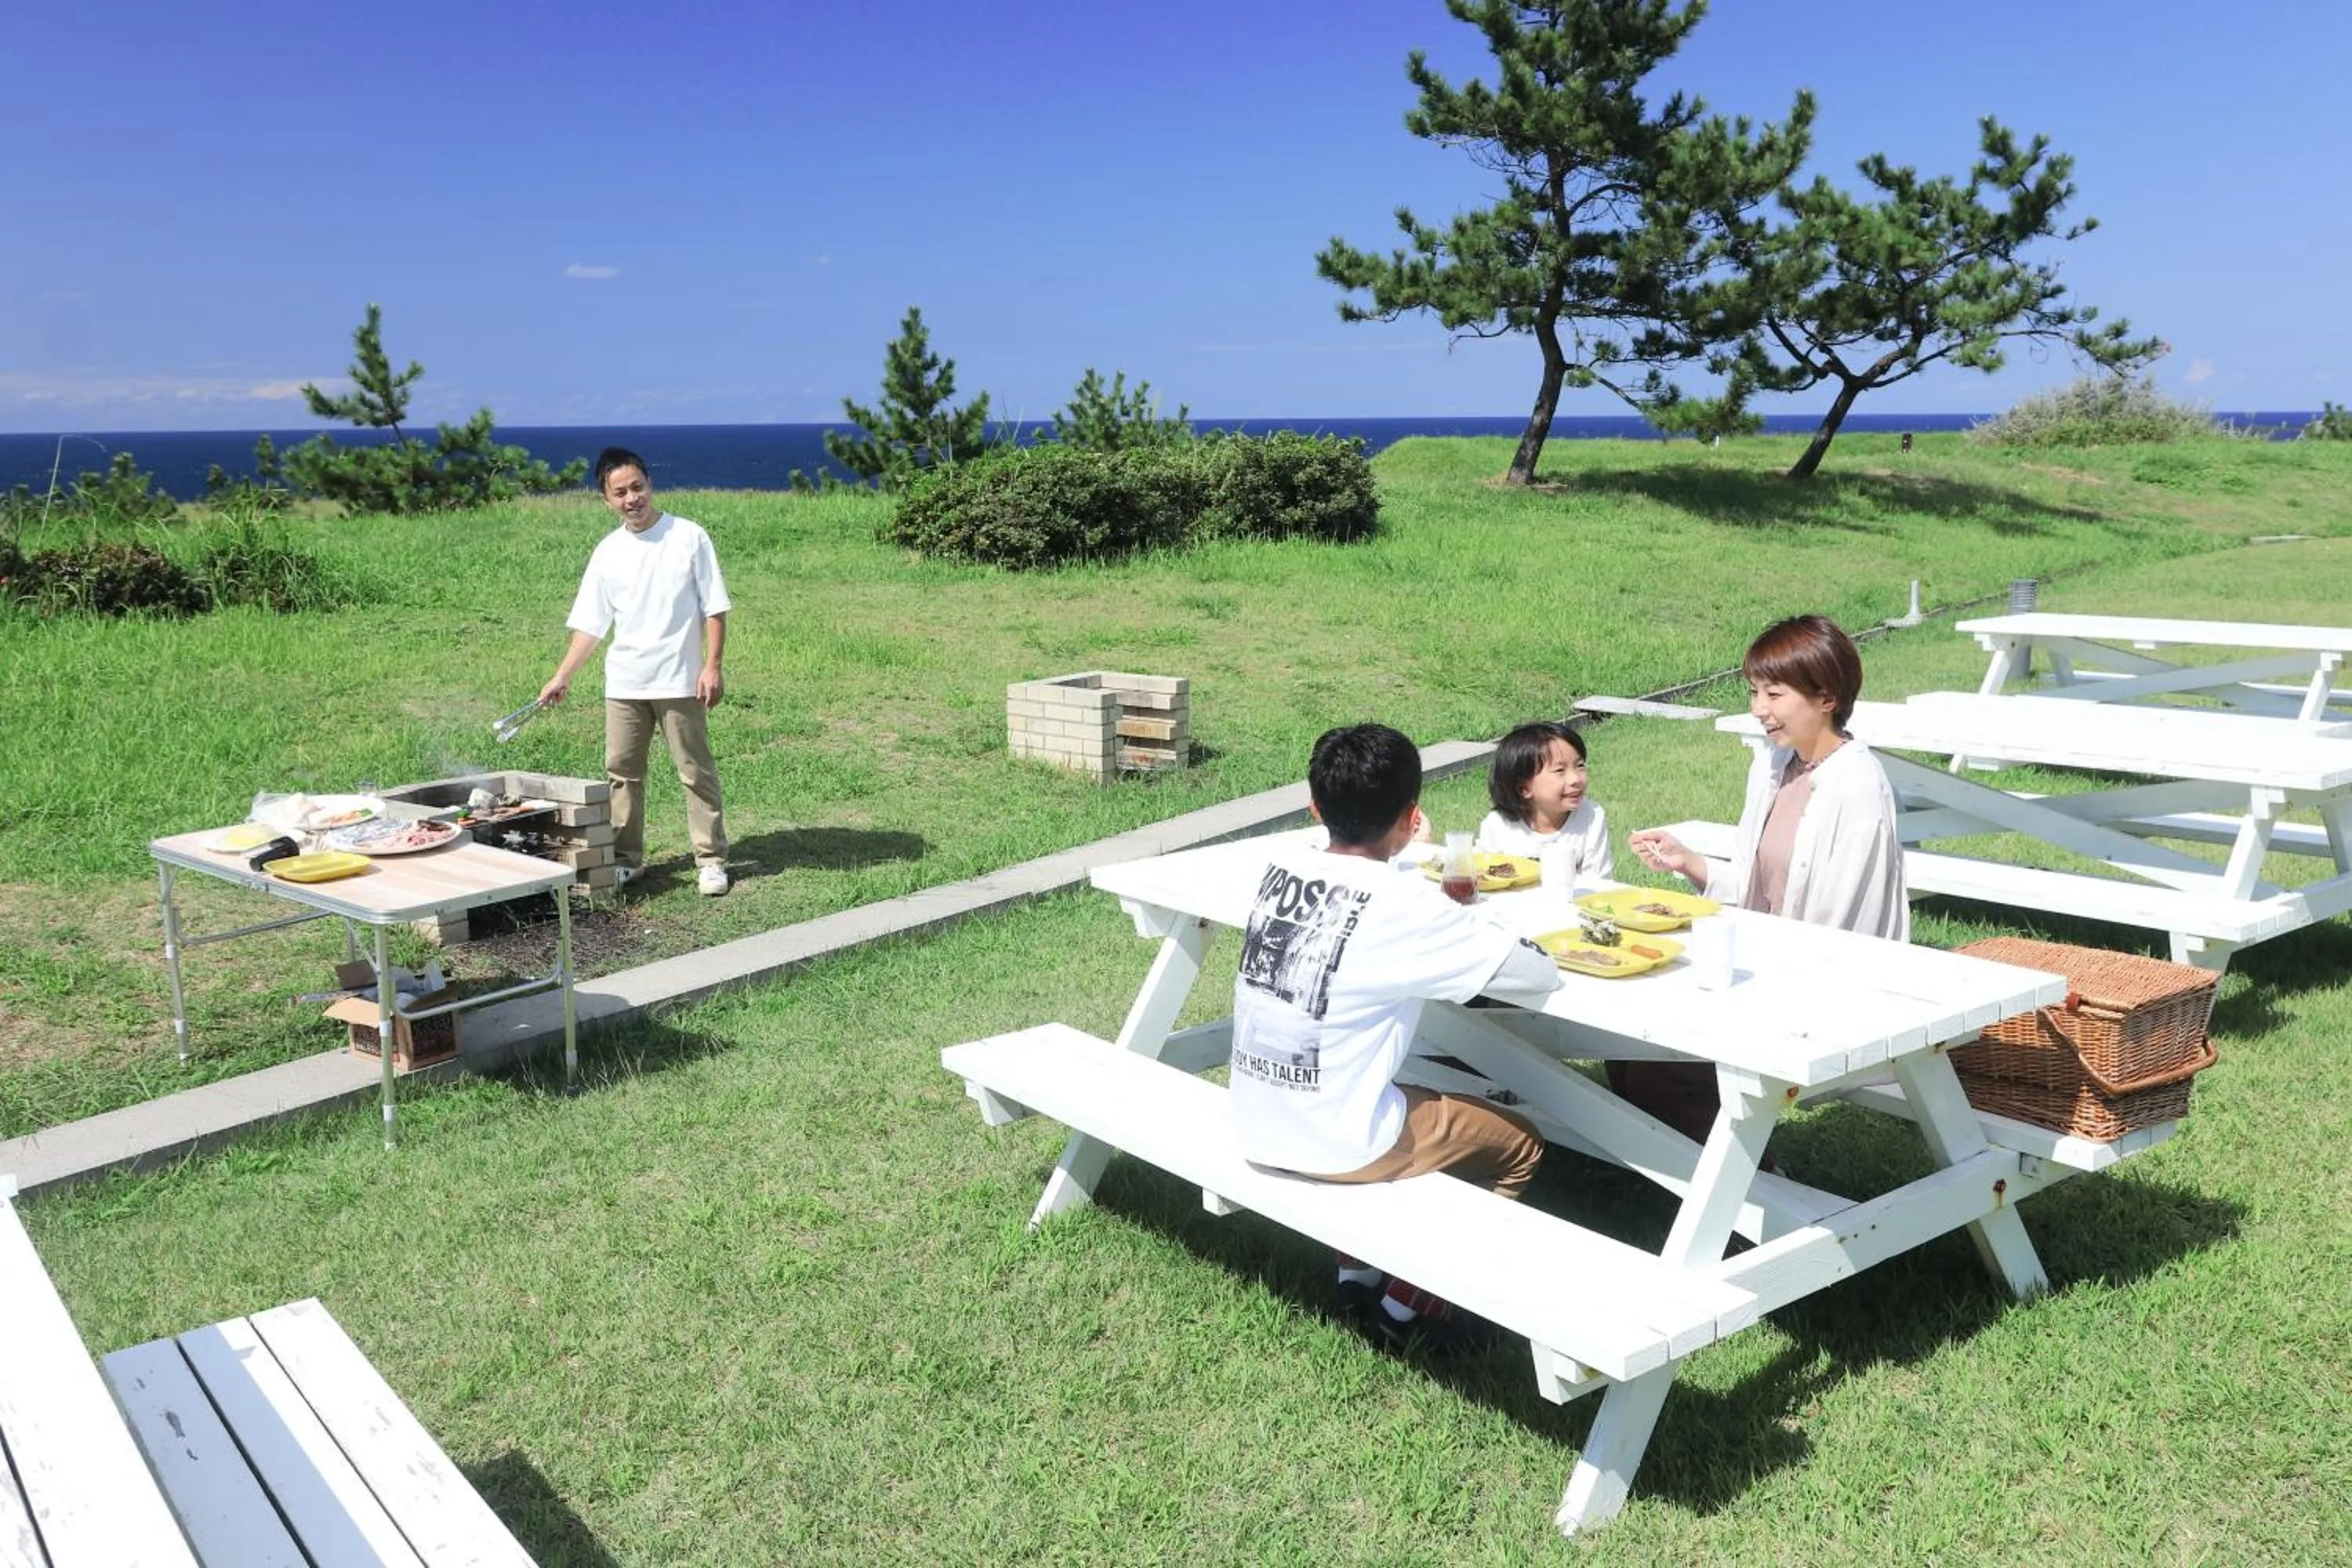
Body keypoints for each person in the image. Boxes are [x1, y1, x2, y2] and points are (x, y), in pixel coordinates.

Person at [1229, 724, 1563, 1353]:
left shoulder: (1280, 871)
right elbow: (1536, 974)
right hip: (1335, 1138)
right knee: (1522, 1144)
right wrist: (1467, 915)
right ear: (1412, 819)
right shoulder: (1407, 904)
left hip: (1255, 1115)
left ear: (1315, 809)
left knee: (1399, 1088)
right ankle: (1408, 1308)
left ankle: (1357, 1277)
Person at [1621, 614, 1907, 1143]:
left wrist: (1755, 991)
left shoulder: (1856, 787)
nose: (1758, 709)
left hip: (1824, 991)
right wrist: (1689, 862)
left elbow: (1841, 932)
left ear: (1827, 697)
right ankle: (1699, 1170)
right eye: (1754, 692)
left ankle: (1749, 1180)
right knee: (1629, 1042)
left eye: (1774, 694)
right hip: (1766, 967)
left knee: (1657, 1058)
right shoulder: (1776, 765)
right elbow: (1758, 886)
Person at [538, 447, 733, 896]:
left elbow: (715, 607)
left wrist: (712, 666)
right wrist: (562, 676)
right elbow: (591, 625)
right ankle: (627, 860)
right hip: (625, 683)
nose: (632, 499)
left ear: (650, 484)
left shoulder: (688, 536)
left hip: (680, 679)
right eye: (620, 493)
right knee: (622, 773)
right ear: (607, 500)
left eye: (637, 487)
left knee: (695, 771)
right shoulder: (607, 552)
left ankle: (711, 860)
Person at [1473, 720, 1613, 880]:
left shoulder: (1591, 815)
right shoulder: (1499, 825)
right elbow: (1477, 874)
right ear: (1524, 788)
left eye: (1580, 766)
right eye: (1560, 770)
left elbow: (1600, 883)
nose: (1575, 779)